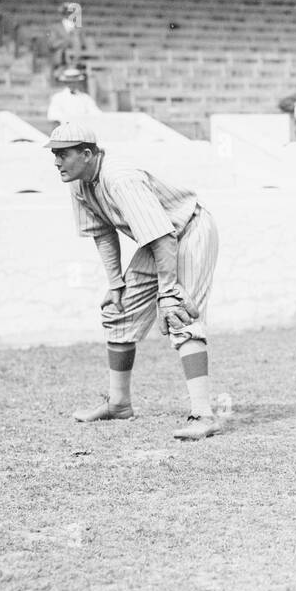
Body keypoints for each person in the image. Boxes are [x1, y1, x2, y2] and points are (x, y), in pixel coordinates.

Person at [47, 123, 221, 441]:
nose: (57, 162)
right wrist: (116, 284)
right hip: (160, 240)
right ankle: (119, 404)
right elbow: (102, 232)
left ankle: (203, 414)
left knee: (179, 313)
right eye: (55, 155)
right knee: (119, 311)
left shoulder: (120, 178)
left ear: (87, 154)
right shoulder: (78, 182)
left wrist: (168, 293)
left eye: (63, 154)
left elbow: (165, 237)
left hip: (188, 230)